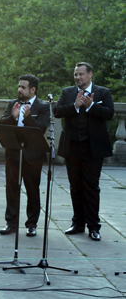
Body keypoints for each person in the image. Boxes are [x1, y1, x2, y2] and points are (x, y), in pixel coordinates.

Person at [54, 62, 114, 241]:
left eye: (81, 74)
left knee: (91, 187)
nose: (78, 78)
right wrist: (75, 105)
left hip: (93, 148)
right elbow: (57, 111)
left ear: (90, 74)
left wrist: (90, 106)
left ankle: (94, 227)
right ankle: (77, 223)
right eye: (75, 75)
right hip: (72, 146)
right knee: (75, 187)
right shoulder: (68, 92)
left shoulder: (103, 92)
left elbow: (109, 114)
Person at [0, 74, 50, 237]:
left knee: (32, 190)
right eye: (19, 86)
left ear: (32, 90)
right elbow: (2, 122)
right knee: (12, 189)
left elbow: (40, 128)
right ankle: (11, 223)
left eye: (23, 87)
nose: (19, 90)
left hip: (32, 156)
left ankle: (32, 224)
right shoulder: (12, 103)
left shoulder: (43, 107)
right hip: (13, 153)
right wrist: (12, 117)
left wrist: (27, 118)